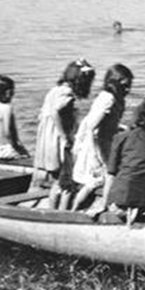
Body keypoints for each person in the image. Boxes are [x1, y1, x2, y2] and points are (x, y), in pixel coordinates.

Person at [30, 59, 96, 210]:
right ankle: (62, 213)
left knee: (57, 182)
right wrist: (65, 137)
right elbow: (55, 112)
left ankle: (51, 211)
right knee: (68, 185)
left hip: (48, 141)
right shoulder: (67, 93)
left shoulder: (56, 90)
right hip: (59, 141)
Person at [70, 64, 133, 211]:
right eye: (124, 86)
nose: (128, 90)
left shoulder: (117, 99)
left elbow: (108, 123)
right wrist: (99, 156)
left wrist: (122, 128)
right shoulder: (108, 99)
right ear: (114, 83)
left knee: (104, 179)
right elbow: (92, 127)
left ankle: (104, 205)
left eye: (129, 86)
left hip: (105, 142)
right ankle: (73, 212)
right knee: (93, 183)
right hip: (96, 146)